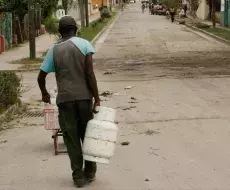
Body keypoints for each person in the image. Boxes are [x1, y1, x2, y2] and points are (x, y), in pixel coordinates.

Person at [37, 16, 100, 188]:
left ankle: (78, 177)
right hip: (84, 98)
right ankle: (90, 171)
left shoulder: (54, 50)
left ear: (60, 31)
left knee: (71, 139)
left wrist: (44, 93)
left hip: (65, 100)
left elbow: (41, 76)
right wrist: (97, 98)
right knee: (87, 135)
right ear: (76, 29)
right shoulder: (85, 44)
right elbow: (90, 74)